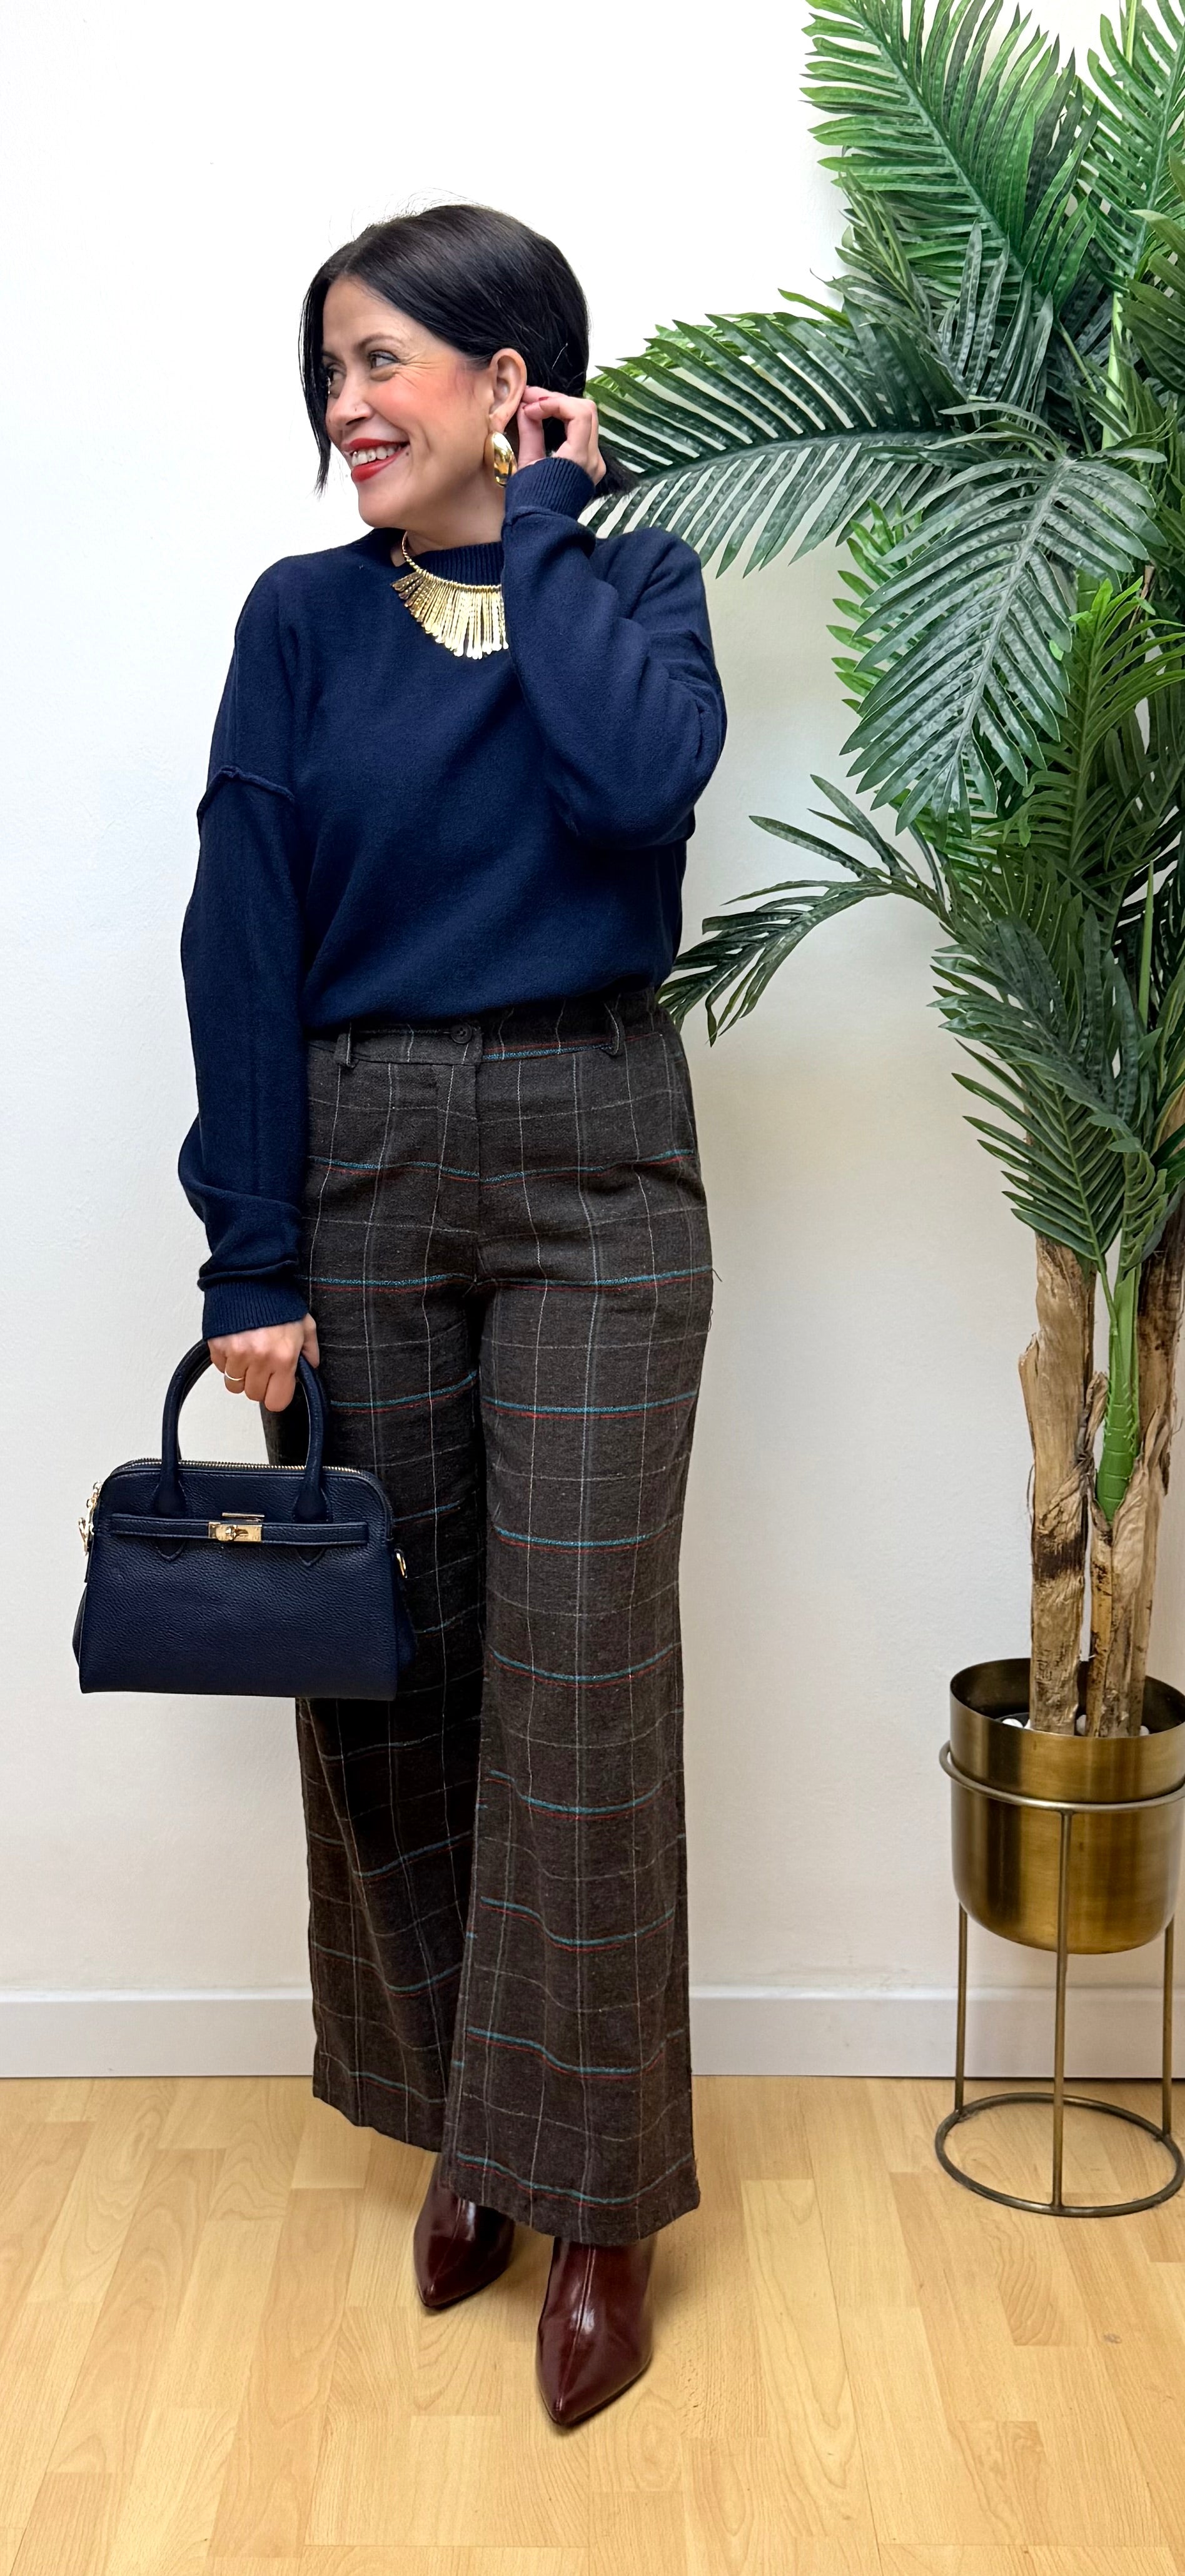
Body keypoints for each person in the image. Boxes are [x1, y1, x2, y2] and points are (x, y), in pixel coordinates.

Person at [177, 199, 727, 2428]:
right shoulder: (300, 620)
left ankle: (595, 2200)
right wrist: (251, 1255)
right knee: (394, 1673)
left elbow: (630, 791)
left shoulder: (636, 589)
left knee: (583, 1672)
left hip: (601, 1149)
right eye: (331, 368)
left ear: (513, 383)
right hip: (366, 1149)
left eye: (385, 359)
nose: (346, 403)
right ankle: (466, 2130)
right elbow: (242, 931)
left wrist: (562, 527)